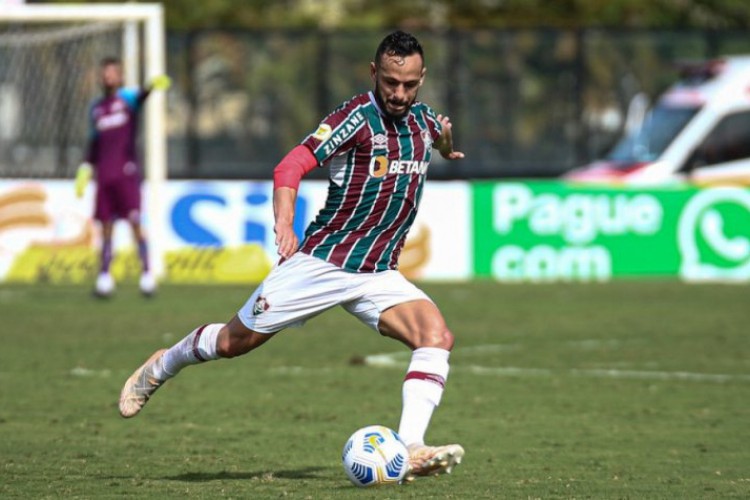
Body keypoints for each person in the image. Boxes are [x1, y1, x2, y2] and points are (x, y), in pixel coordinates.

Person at [118, 31, 465, 481]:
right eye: (391, 83)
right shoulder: (355, 118)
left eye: (410, 84)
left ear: (422, 79)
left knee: (436, 337)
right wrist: (284, 223)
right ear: (374, 73)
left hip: (377, 272)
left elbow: (437, 130)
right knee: (232, 343)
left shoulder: (424, 121)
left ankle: (410, 446)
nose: (399, 94)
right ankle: (162, 365)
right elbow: (290, 166)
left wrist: (444, 144)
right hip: (321, 263)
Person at [75, 57, 171, 298]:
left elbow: (142, 95)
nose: (107, 76)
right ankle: (105, 278)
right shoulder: (96, 108)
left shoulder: (127, 99)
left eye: (112, 72)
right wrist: (86, 167)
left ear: (120, 76)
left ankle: (147, 275)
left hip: (127, 174)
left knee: (135, 223)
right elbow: (94, 142)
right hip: (104, 175)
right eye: (104, 73)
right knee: (105, 227)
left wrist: (151, 85)